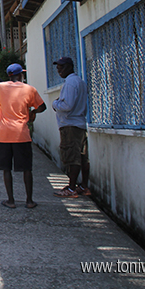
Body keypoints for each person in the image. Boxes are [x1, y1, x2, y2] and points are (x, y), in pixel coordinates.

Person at [0, 63, 46, 209]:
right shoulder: (29, 89)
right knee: (27, 169)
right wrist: (32, 112)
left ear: (9, 75)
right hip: (21, 134)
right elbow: (42, 106)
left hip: (3, 134)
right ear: (21, 75)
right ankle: (29, 201)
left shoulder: (0, 87)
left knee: (6, 169)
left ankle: (11, 200)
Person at [51, 57, 90, 198]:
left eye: (61, 67)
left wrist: (55, 104)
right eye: (57, 68)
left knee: (72, 157)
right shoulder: (79, 82)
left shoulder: (70, 83)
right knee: (82, 157)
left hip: (70, 125)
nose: (59, 71)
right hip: (79, 124)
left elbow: (67, 105)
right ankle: (83, 186)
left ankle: (72, 188)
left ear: (69, 67)